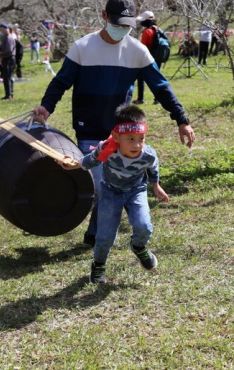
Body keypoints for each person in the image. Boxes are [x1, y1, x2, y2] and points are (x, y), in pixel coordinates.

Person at [34, 0, 195, 247]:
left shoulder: (137, 51)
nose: (122, 29)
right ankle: (97, 232)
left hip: (122, 130)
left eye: (126, 25)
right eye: (117, 23)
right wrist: (46, 107)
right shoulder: (82, 47)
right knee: (100, 185)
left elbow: (161, 87)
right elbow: (60, 82)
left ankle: (95, 234)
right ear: (104, 16)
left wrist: (181, 119)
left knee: (111, 183)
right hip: (89, 126)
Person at [57, 104, 167, 284]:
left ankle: (138, 246)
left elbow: (153, 167)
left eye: (141, 138)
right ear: (116, 136)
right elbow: (90, 160)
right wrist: (73, 164)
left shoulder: (148, 155)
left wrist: (156, 185)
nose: (137, 144)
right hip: (110, 192)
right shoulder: (107, 149)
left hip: (135, 192)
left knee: (144, 226)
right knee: (105, 236)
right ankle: (98, 264)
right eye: (130, 139)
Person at [133, 10, 159, 104]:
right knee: (156, 79)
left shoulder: (147, 32)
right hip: (157, 57)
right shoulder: (157, 29)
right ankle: (157, 99)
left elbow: (143, 47)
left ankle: (140, 99)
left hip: (147, 58)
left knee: (140, 78)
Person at [0, 23, 17, 100]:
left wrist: (1, 53)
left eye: (1, 30)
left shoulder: (9, 38)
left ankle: (9, 94)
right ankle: (9, 93)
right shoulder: (6, 37)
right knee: (8, 76)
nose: (1, 31)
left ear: (5, 29)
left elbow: (9, 50)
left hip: (9, 58)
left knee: (7, 77)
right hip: (7, 58)